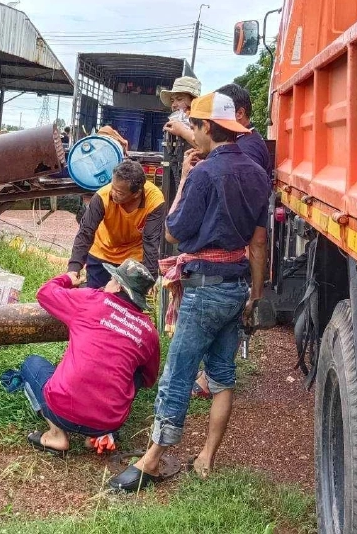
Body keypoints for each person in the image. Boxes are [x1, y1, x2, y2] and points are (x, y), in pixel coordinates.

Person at [107, 92, 270, 492]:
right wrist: (255, 293)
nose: (191, 133)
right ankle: (207, 458)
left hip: (203, 288)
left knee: (177, 375)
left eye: (194, 126)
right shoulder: (257, 173)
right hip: (236, 285)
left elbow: (172, 231)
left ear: (208, 128)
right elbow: (260, 241)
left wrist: (182, 177)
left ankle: (150, 462)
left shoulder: (202, 174)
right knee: (222, 375)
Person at [3, 259, 160, 455]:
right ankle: (99, 434)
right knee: (137, 373)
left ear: (119, 285)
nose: (107, 283)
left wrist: (68, 278)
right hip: (107, 422)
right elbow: (149, 379)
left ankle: (56, 434)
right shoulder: (148, 331)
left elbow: (44, 293)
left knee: (31, 364)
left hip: (61, 410)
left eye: (111, 279)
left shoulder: (90, 299)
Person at [68, 160, 166, 287]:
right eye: (112, 187)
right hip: (102, 251)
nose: (113, 193)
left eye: (119, 192)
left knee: (125, 304)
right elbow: (86, 231)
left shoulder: (154, 201)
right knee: (95, 299)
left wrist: (149, 279)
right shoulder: (102, 196)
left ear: (136, 193)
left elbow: (151, 241)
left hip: (133, 257)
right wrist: (73, 268)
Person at [215, 83, 273, 181]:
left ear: (239, 113)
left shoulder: (247, 149)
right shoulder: (245, 139)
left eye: (221, 112)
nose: (215, 119)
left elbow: (243, 191)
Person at [161, 76, 202, 146]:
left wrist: (182, 131)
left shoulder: (204, 122)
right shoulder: (175, 122)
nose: (173, 105)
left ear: (193, 100)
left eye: (179, 99)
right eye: (172, 100)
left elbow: (205, 147)